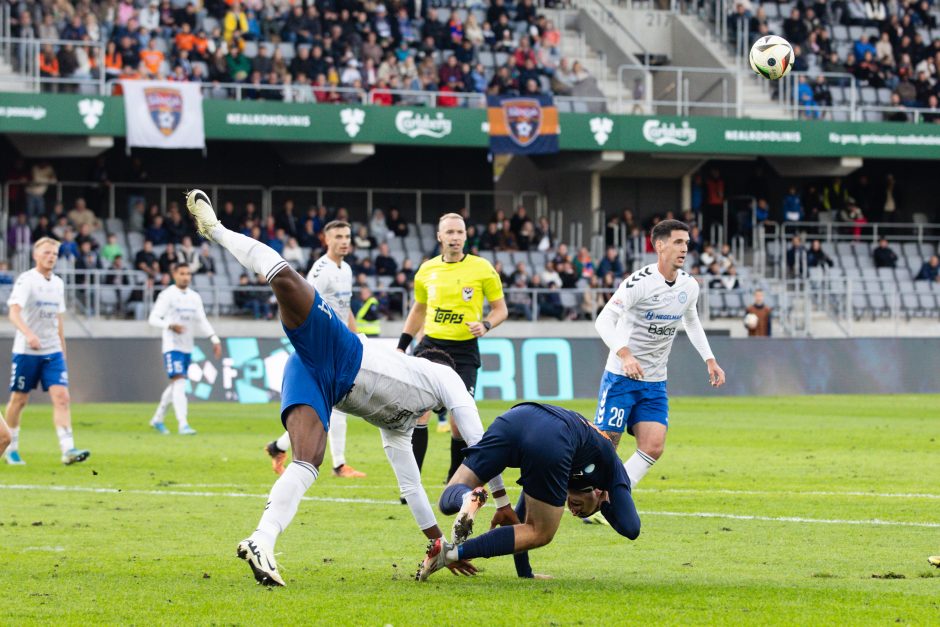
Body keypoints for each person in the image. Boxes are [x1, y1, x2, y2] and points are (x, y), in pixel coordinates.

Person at [183, 189, 511, 586]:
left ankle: (261, 540)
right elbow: (479, 442)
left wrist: (439, 542)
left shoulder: (399, 428)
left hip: (317, 378)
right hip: (339, 349)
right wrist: (503, 500)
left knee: (308, 462)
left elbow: (411, 487)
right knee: (286, 278)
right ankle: (216, 229)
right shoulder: (442, 374)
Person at [416, 402, 640, 581]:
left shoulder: (559, 473)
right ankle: (450, 554)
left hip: (516, 418)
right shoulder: (612, 470)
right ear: (599, 493)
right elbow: (631, 528)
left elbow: (520, 520)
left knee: (448, 498)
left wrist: (525, 573)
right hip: (553, 434)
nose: (573, 511)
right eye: (584, 511)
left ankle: (466, 497)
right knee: (541, 532)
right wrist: (607, 504)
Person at [593, 220, 725, 491]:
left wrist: (709, 359)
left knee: (653, 447)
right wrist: (625, 354)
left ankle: (613, 497)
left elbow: (691, 321)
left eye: (687, 243)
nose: (685, 248)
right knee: (605, 447)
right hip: (621, 377)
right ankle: (570, 490)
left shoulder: (689, 286)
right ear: (660, 245)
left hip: (654, 381)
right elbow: (603, 320)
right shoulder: (638, 283)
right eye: (678, 242)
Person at [398, 213, 508, 482]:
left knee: (459, 422)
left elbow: (500, 309)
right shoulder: (426, 270)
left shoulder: (482, 268)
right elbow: (419, 309)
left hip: (465, 351)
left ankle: (453, 480)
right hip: (431, 346)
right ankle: (411, 484)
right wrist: (402, 345)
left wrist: (486, 325)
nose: (455, 237)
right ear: (439, 236)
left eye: (459, 232)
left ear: (466, 236)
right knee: (419, 412)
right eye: (449, 232)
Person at [264, 221, 366, 479]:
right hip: (323, 346)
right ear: (326, 240)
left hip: (341, 346)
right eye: (339, 237)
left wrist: (357, 339)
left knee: (326, 406)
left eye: (347, 236)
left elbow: (345, 308)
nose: (344, 241)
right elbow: (304, 306)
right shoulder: (320, 271)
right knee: (338, 405)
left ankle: (278, 447)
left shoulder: (347, 269)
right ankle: (339, 465)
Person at [3, 237, 90, 466]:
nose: (51, 256)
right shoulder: (27, 280)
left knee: (62, 397)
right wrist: (29, 334)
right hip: (27, 351)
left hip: (52, 351)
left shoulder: (58, 283)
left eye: (54, 253)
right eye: (47, 252)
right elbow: (13, 312)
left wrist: (63, 348)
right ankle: (12, 448)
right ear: (36, 255)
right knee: (19, 400)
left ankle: (68, 449)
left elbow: (58, 319)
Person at [146, 263, 223, 435]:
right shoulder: (167, 295)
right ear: (174, 275)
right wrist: (170, 325)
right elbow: (153, 318)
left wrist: (214, 338)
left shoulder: (194, 297)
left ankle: (157, 419)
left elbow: (201, 320)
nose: (186, 277)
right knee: (179, 382)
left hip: (187, 346)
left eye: (188, 273)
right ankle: (183, 424)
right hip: (172, 346)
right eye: (182, 273)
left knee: (176, 384)